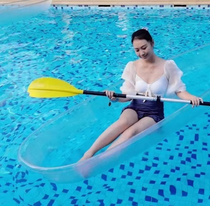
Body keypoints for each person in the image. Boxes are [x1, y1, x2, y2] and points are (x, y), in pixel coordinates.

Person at [80, 29, 202, 161]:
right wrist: (115, 98)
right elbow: (128, 95)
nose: (141, 53)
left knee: (131, 132)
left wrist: (192, 98)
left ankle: (99, 161)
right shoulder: (132, 66)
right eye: (137, 50)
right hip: (135, 106)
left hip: (154, 113)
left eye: (144, 48)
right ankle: (88, 154)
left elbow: (179, 90)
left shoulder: (168, 66)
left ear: (152, 43)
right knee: (122, 122)